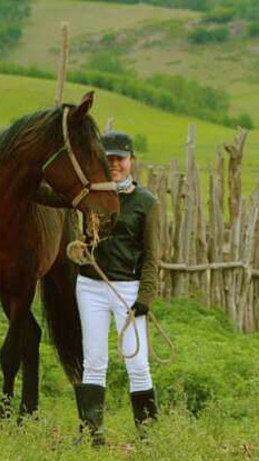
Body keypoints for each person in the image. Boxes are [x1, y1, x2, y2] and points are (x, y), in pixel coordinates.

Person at [72, 130, 161, 445]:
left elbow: (152, 257)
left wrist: (145, 299)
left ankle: (148, 438)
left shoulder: (146, 203)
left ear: (131, 161)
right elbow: (57, 197)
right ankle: (92, 435)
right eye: (108, 159)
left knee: (137, 363)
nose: (115, 165)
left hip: (128, 291)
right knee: (94, 361)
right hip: (90, 286)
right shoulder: (90, 195)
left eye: (120, 159)